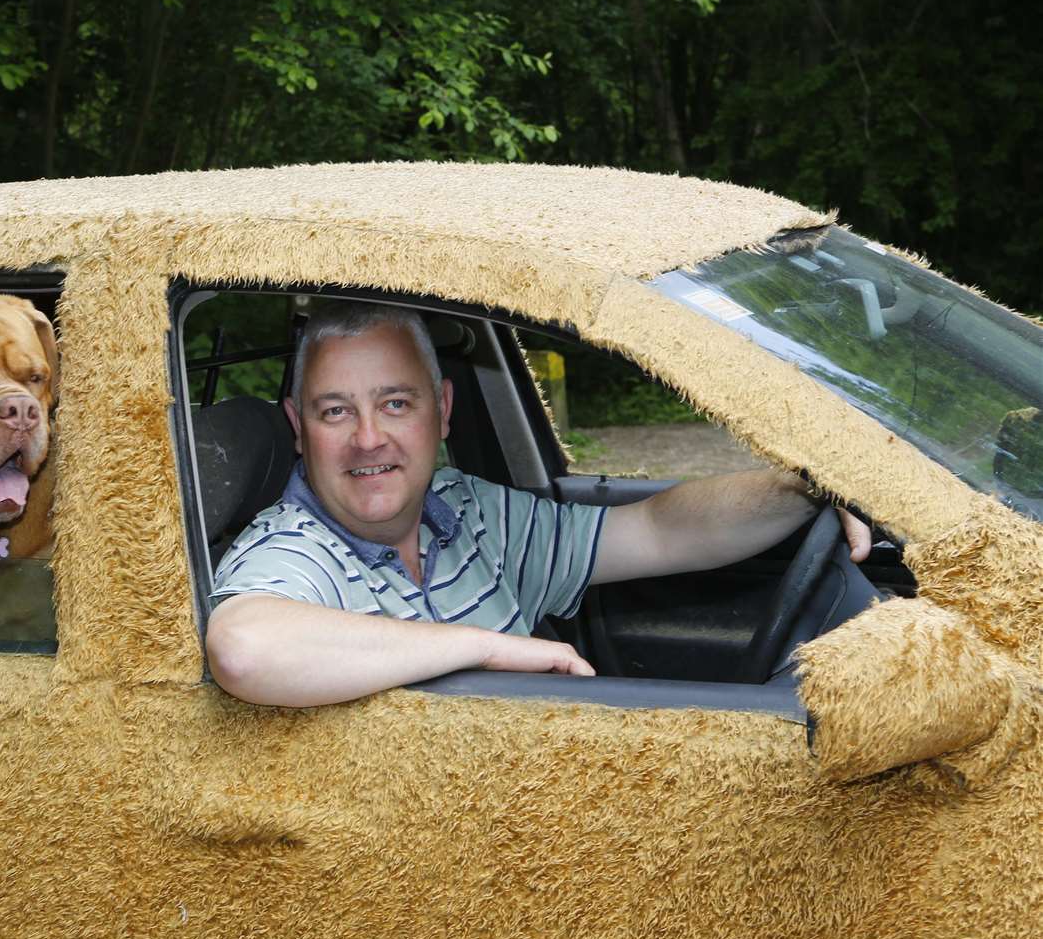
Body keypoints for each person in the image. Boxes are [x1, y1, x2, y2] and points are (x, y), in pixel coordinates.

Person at [205, 302, 871, 708]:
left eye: (395, 403)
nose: (368, 437)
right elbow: (245, 648)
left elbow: (661, 530)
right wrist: (487, 650)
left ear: (442, 411)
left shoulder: (464, 509)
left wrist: (801, 487)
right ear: (298, 426)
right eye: (335, 411)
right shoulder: (293, 550)